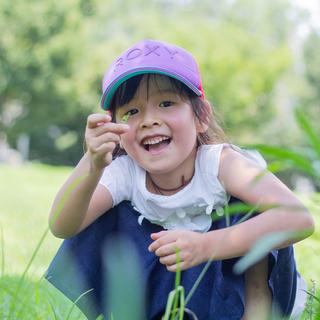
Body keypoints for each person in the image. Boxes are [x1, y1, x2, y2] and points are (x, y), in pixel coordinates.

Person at [46, 39, 315, 320]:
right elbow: (63, 226)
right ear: (117, 129)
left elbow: (298, 219)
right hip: (177, 289)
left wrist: (206, 246)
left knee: (251, 205)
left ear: (201, 118)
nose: (149, 120)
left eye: (166, 103)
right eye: (131, 112)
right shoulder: (125, 171)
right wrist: (92, 162)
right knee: (98, 213)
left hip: (240, 287)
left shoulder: (221, 163)